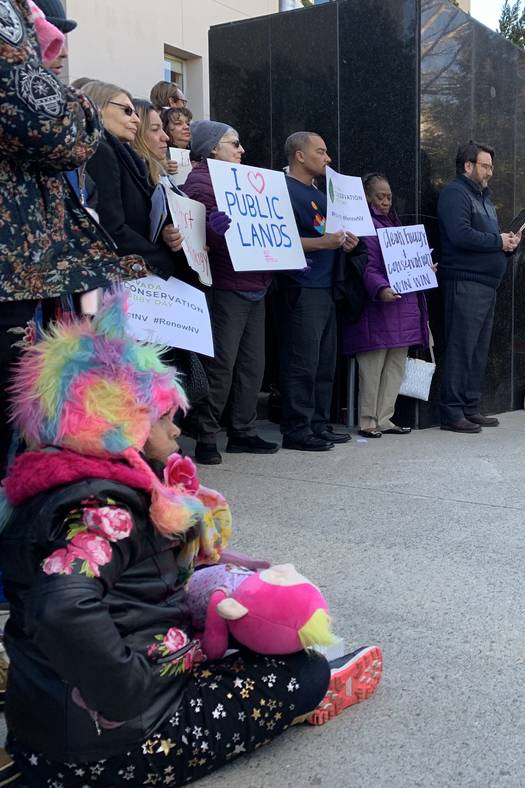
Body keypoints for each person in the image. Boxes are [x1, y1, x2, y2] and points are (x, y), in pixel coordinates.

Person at [0, 293, 382, 786]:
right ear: (119, 424)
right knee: (300, 673)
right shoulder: (105, 508)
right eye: (162, 416)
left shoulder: (56, 486)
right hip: (113, 745)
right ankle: (316, 690)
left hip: (55, 729)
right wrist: (127, 693)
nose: (176, 425)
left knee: (243, 642)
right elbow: (64, 605)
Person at [0, 0, 139, 479]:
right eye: (41, 36)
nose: (53, 50)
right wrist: (82, 108)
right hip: (15, 278)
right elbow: (58, 129)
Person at [182, 120, 279, 463]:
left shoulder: (246, 182)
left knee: (253, 366)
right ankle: (207, 435)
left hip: (256, 283)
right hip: (227, 286)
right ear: (211, 148)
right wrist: (211, 229)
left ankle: (243, 431)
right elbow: (195, 236)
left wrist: (287, 252)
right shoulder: (200, 182)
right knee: (221, 366)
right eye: (233, 144)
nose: (242, 150)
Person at [280, 132, 358, 450]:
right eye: (321, 152)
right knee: (303, 362)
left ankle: (318, 423)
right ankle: (296, 429)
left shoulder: (324, 195)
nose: (327, 159)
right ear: (299, 155)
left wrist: (346, 244)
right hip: (301, 286)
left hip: (326, 287)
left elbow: (331, 236)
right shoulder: (283, 190)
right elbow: (279, 239)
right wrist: (321, 243)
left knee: (324, 363)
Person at [436, 140, 520, 433]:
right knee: (461, 348)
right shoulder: (455, 193)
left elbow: (486, 238)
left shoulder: (484, 197)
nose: (490, 172)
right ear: (468, 166)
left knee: (478, 349)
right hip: (464, 282)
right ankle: (452, 411)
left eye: (491, 167)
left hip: (486, 284)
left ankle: (470, 407)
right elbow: (460, 235)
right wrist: (497, 240)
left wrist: (507, 243)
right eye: (485, 166)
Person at [344, 172, 432, 438]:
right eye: (380, 196)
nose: (385, 201)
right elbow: (366, 266)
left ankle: (385, 417)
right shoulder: (365, 226)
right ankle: (368, 420)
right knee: (373, 366)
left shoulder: (395, 226)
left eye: (389, 197)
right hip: (378, 306)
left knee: (395, 366)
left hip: (402, 305)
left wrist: (424, 268)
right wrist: (380, 288)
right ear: (367, 197)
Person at [81, 81, 184, 279]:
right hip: (123, 275)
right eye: (127, 111)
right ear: (97, 108)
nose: (136, 119)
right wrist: (162, 260)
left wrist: (163, 234)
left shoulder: (124, 155)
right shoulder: (101, 150)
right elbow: (111, 227)